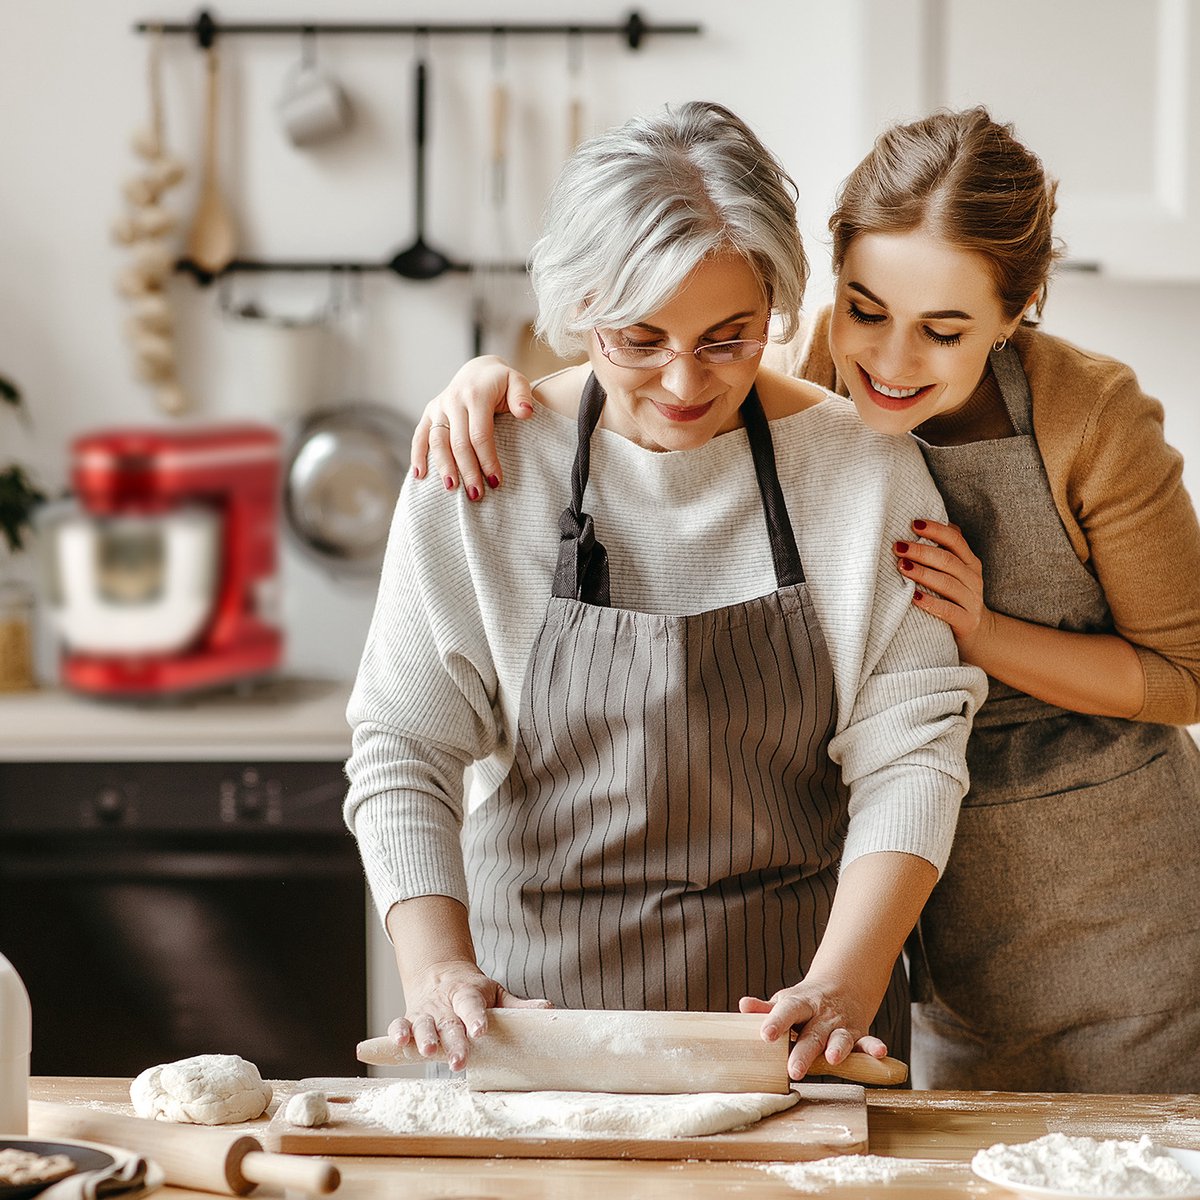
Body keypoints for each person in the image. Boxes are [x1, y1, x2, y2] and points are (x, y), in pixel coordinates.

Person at [409, 106, 1200, 1093]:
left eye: (943, 331)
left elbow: (1181, 677)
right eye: (867, 310)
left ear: (1019, 309)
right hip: (934, 912)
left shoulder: (1083, 421)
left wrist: (982, 632)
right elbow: (664, 363)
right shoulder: (811, 379)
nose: (893, 362)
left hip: (1113, 891)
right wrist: (487, 384)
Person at [345, 100, 984, 1082]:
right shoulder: (485, 468)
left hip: (797, 1035)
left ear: (776, 304)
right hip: (532, 1037)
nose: (686, 382)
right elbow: (403, 744)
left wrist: (847, 986)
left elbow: (914, 752)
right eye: (638, 340)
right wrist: (436, 972)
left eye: (730, 338)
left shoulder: (861, 472)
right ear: (576, 311)